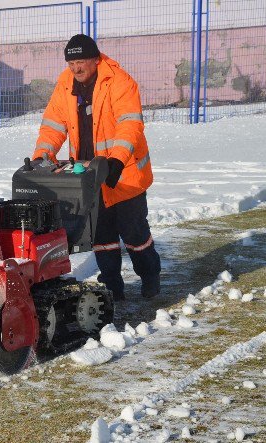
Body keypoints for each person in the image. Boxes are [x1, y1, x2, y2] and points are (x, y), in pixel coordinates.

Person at [32, 34, 161, 300]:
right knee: (102, 238)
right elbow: (53, 125)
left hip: (124, 174)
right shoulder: (65, 85)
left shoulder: (118, 81)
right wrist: (42, 155)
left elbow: (130, 125)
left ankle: (150, 277)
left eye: (80, 62)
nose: (76, 68)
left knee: (135, 234)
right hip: (89, 176)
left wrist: (116, 160)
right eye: (71, 63)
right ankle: (112, 288)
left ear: (95, 58)